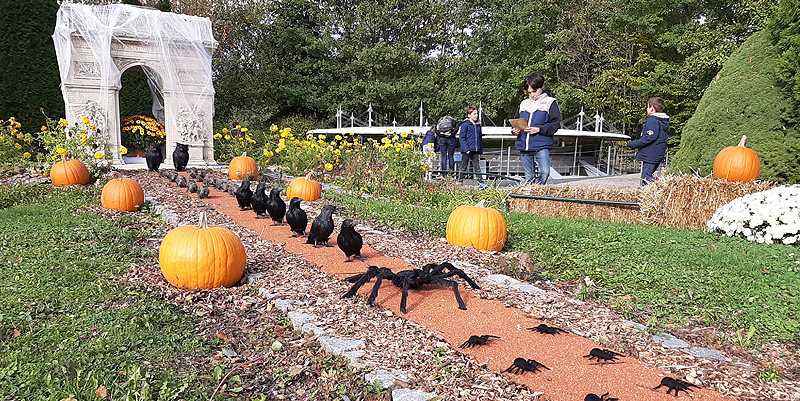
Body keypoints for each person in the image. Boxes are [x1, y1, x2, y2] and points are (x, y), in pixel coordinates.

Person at [512, 72, 561, 184]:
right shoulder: (523, 103)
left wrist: (539, 129)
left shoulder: (550, 102)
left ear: (542, 87)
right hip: (524, 145)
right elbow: (516, 121)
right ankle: (531, 195)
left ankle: (538, 189)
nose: (532, 95)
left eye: (534, 91)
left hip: (541, 144)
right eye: (529, 92)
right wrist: (515, 130)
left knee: (545, 172)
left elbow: (556, 124)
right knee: (529, 177)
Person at [627, 97, 669, 186]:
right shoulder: (662, 121)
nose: (647, 109)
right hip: (658, 153)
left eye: (648, 107)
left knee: (646, 179)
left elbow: (649, 137)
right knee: (647, 177)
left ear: (652, 108)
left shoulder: (652, 120)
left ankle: (664, 186)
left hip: (650, 154)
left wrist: (633, 144)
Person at [458, 106, 484, 185]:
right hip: (467, 150)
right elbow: (462, 137)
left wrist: (480, 150)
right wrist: (466, 149)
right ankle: (459, 181)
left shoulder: (478, 125)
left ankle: (481, 182)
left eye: (477, 114)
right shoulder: (465, 125)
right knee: (464, 166)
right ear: (469, 115)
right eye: (474, 114)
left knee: (477, 167)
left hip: (475, 149)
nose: (476, 115)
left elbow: (479, 138)